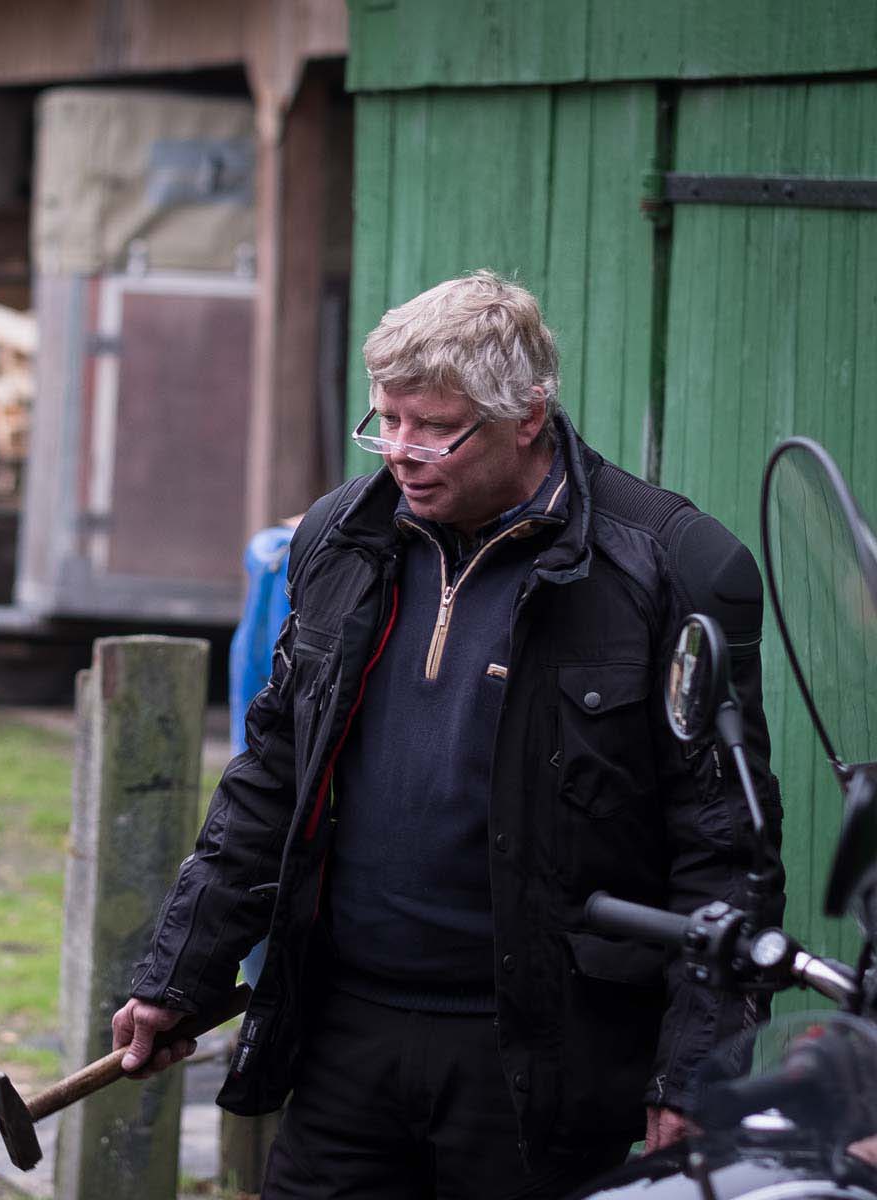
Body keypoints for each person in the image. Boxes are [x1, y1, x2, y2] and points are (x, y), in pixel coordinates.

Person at [112, 270, 783, 1198]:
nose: (401, 451)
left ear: (528, 416)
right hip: (347, 1035)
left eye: (434, 428)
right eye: (386, 420)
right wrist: (180, 972)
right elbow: (273, 775)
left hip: (544, 1059)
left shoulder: (665, 565)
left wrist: (696, 1073)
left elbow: (726, 846)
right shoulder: (342, 541)